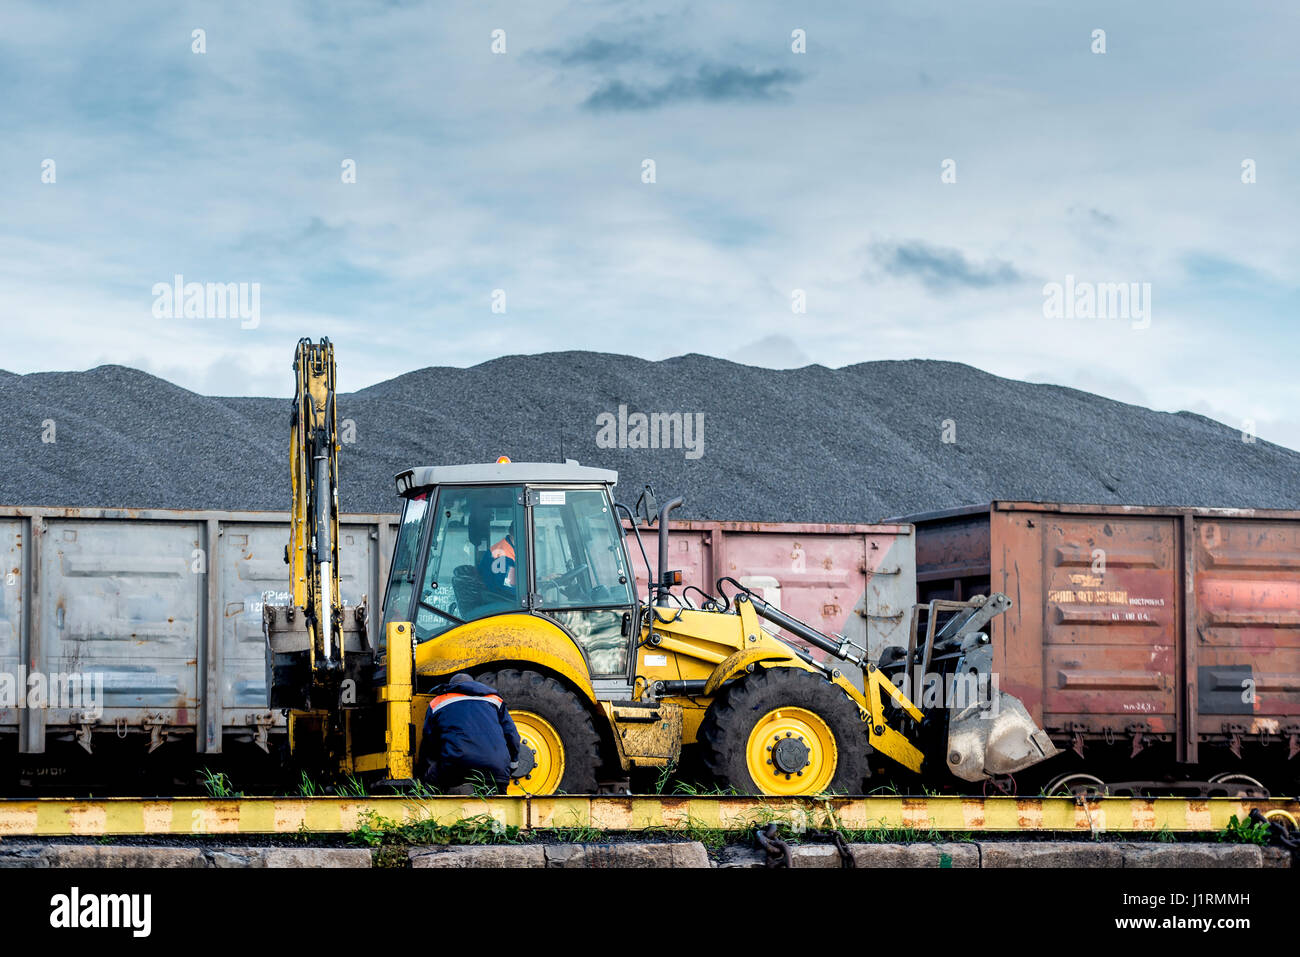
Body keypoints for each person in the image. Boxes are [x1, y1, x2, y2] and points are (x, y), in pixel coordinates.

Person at [417, 672, 522, 793]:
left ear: (451, 686)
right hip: (496, 770)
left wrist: (426, 770)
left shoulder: (438, 702)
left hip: (457, 767)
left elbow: (430, 741)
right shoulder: (495, 700)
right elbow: (512, 736)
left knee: (429, 785)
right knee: (499, 808)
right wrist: (513, 764)